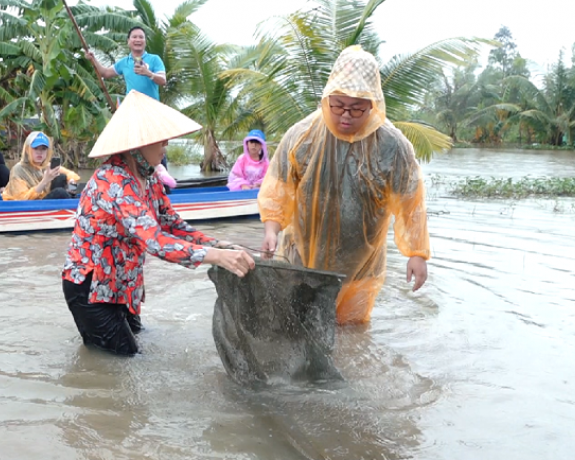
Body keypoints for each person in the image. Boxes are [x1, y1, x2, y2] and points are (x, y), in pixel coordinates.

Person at [62, 90, 255, 356]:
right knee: (122, 361)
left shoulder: (148, 179)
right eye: (160, 140)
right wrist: (217, 257)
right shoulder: (113, 181)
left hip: (122, 285)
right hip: (91, 289)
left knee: (140, 346)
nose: (166, 145)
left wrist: (220, 244)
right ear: (137, 145)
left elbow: (173, 226)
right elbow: (154, 240)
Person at [258, 45, 431, 325]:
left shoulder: (392, 146)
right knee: (296, 325)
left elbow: (412, 203)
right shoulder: (303, 136)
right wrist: (271, 229)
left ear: (372, 104)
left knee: (351, 333)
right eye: (338, 106)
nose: (346, 115)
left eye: (356, 108)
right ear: (327, 99)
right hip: (301, 257)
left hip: (360, 265)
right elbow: (278, 186)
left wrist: (417, 254)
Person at [85, 26, 167, 101]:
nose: (138, 40)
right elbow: (105, 73)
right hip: (131, 108)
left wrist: (148, 73)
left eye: (141, 37)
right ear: (128, 41)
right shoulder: (124, 62)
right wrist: (93, 59)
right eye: (134, 37)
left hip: (151, 108)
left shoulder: (154, 59)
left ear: (145, 41)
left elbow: (163, 81)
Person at [2, 131, 80, 201]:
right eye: (36, 148)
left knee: (62, 177)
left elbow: (71, 174)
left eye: (43, 149)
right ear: (27, 150)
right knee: (60, 193)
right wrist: (45, 180)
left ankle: (74, 203)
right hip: (29, 205)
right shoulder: (18, 170)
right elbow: (22, 199)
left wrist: (72, 184)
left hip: (43, 200)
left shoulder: (46, 166)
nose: (40, 152)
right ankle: (76, 206)